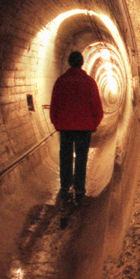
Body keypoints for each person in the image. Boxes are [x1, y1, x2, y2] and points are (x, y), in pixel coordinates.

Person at [50, 51, 103, 205]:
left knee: (65, 156)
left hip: (65, 127)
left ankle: (65, 187)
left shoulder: (60, 81)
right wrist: (94, 124)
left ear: (69, 62)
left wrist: (56, 123)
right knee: (81, 158)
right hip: (84, 128)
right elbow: (97, 108)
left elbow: (54, 105)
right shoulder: (89, 82)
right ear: (82, 63)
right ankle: (79, 189)